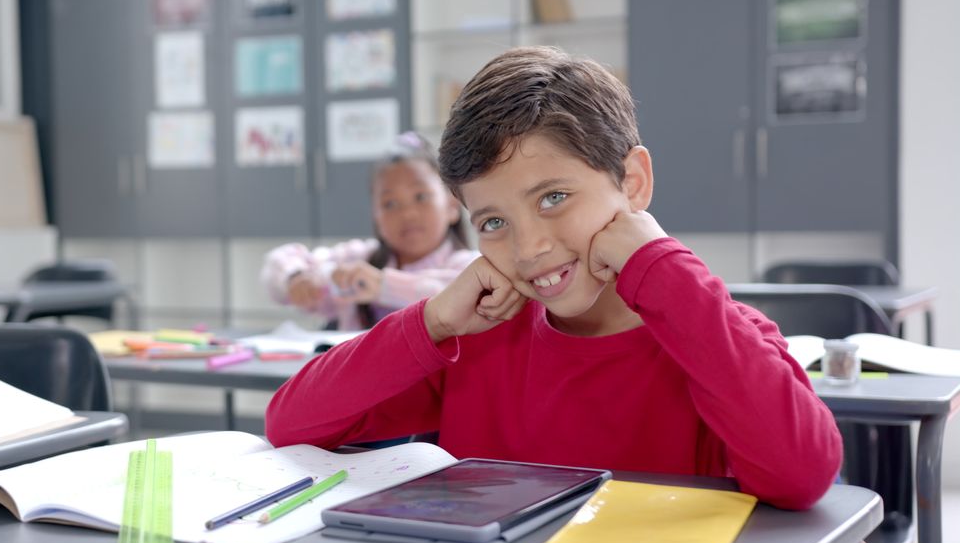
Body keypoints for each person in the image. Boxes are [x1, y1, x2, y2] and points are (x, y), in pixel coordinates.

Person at [266, 47, 842, 510]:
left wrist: (663, 268)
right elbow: (291, 423)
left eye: (554, 198)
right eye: (493, 221)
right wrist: (434, 320)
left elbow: (801, 475)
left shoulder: (714, 333)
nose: (530, 247)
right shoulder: (480, 337)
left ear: (634, 182)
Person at [261, 132, 478, 330]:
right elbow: (278, 263)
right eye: (390, 204)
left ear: (452, 205)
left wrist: (382, 285)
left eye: (421, 197)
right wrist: (297, 279)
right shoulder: (361, 258)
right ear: (376, 217)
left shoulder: (469, 266)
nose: (407, 214)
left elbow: (453, 297)